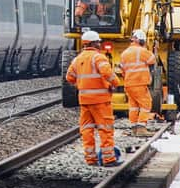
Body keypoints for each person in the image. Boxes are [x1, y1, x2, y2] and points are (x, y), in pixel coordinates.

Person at [66, 30, 122, 167]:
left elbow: (69, 77)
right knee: (105, 129)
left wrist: (81, 85)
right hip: (100, 101)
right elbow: (107, 73)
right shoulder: (98, 58)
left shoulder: (77, 59)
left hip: (85, 101)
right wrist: (115, 83)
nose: (100, 44)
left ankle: (91, 159)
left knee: (87, 130)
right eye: (98, 42)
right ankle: (109, 159)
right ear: (94, 43)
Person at [119, 29, 156, 137]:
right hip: (139, 83)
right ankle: (141, 127)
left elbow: (122, 69)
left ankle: (134, 128)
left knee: (133, 106)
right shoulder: (142, 51)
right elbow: (152, 60)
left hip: (128, 84)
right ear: (141, 41)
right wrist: (151, 49)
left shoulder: (124, 53)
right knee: (146, 104)